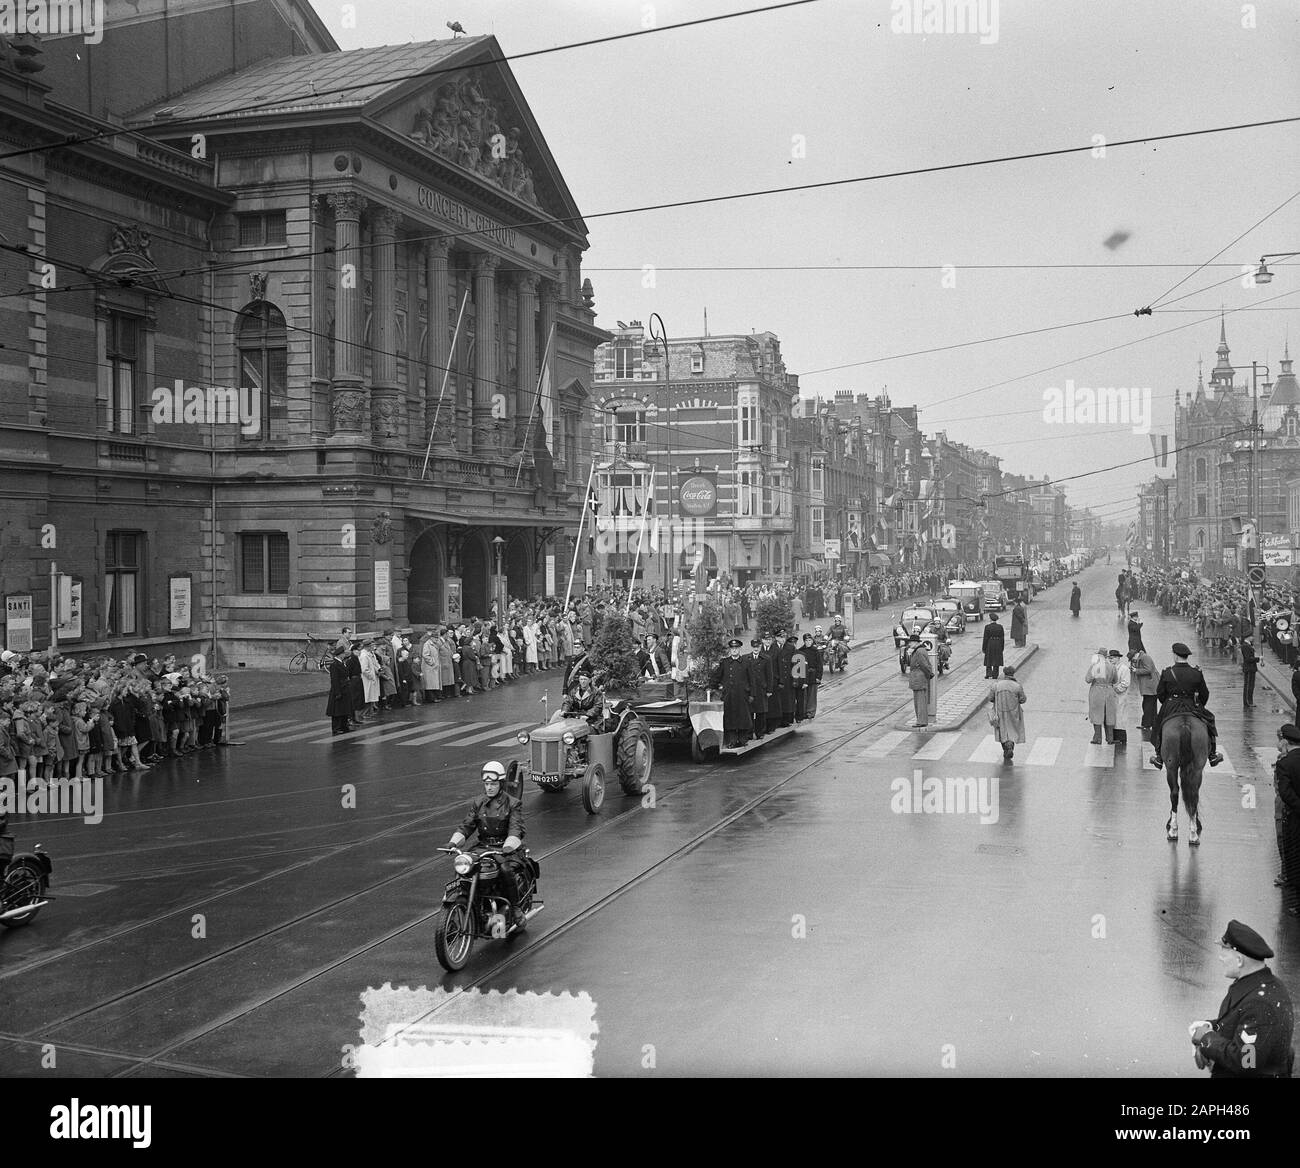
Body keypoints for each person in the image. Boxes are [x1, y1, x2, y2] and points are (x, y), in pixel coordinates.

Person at [1189, 920, 1294, 1078]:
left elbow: (1246, 1062)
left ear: (1239, 961)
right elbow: (1239, 1021)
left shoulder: (1261, 1003)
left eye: (1224, 952)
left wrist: (1207, 1039)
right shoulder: (1259, 986)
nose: (1220, 958)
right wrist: (1210, 1025)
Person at [447, 761, 530, 927]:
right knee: (463, 867)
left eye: (493, 784)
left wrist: (509, 845)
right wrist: (454, 842)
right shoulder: (478, 802)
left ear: (501, 783)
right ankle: (461, 905)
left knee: (506, 870)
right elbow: (467, 825)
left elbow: (516, 828)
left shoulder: (513, 803)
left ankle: (515, 909)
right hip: (482, 847)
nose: (489, 788)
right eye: (486, 784)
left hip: (505, 848)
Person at [1149, 642, 1222, 769]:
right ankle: (1212, 754)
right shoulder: (1196, 672)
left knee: (1159, 724)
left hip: (1172, 704)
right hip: (1192, 705)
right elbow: (1205, 694)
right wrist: (1199, 705)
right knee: (1210, 720)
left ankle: (1159, 757)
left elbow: (1160, 693)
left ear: (1175, 656)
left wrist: (1167, 702)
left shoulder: (1167, 672)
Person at [1275, 725, 1300, 915]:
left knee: (1294, 856)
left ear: (1285, 741)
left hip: (1294, 818)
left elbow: (1284, 792)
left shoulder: (1285, 763)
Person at [710, 638, 753, 749]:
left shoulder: (746, 662)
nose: (734, 650)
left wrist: (752, 694)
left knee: (743, 717)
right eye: (732, 648)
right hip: (729, 695)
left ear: (739, 649)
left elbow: (752, 679)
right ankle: (732, 740)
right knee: (730, 718)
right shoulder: (725, 662)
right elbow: (717, 676)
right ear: (730, 650)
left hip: (742, 695)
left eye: (736, 648)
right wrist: (712, 686)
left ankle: (743, 739)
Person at [987, 663, 1026, 762]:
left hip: (1000, 712)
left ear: (1004, 674)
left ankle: (1005, 748)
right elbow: (1023, 699)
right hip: (1014, 713)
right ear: (1013, 674)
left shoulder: (996, 686)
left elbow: (990, 698)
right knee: (1012, 731)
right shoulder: (1017, 686)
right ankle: (1010, 746)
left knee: (1002, 731)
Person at [1084, 647, 1117, 745]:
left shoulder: (1095, 666)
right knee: (1109, 714)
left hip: (1097, 691)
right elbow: (1115, 680)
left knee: (1096, 714)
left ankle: (1097, 738)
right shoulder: (1112, 666)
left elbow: (1088, 679)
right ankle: (1110, 738)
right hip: (1109, 691)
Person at [746, 638, 772, 739]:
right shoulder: (746, 658)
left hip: (761, 689)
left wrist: (769, 690)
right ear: (751, 647)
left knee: (761, 712)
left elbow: (769, 675)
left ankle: (760, 733)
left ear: (760, 647)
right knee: (750, 712)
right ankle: (749, 733)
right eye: (754, 647)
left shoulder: (766, 658)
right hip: (750, 690)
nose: (756, 649)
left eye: (757, 647)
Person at [906, 634, 933, 728]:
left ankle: (921, 721)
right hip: (917, 678)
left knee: (920, 701)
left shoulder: (919, 651)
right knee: (918, 700)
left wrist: (929, 674)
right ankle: (920, 720)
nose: (909, 644)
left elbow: (924, 665)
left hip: (919, 678)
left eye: (911, 642)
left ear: (916, 642)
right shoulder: (917, 651)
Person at [1130, 646, 1159, 733]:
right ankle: (1153, 723)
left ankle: (1146, 724)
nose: (1133, 661)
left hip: (1150, 686)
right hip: (1150, 686)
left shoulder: (1144, 658)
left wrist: (1136, 670)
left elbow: (1149, 669)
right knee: (1150, 705)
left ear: (1136, 655)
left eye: (1133, 659)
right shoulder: (1142, 658)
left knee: (1147, 705)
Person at [325, 647, 354, 734]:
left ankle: (344, 726)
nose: (344, 655)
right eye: (343, 654)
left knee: (345, 709)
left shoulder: (342, 663)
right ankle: (336, 728)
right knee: (337, 710)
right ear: (340, 655)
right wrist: (337, 692)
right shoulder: (334, 665)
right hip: (339, 689)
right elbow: (334, 679)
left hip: (345, 689)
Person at [798, 632, 823, 721]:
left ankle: (810, 712)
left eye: (810, 640)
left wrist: (818, 677)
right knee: (804, 695)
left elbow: (820, 665)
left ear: (812, 641)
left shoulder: (816, 651)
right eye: (806, 640)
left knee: (812, 695)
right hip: (804, 676)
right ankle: (803, 712)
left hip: (813, 675)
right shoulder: (800, 651)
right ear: (804, 641)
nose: (808, 642)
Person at [981, 611, 1004, 679]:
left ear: (990, 619)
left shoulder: (987, 627)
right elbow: (1002, 638)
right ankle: (995, 674)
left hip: (990, 643)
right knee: (996, 659)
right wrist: (1002, 647)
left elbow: (985, 638)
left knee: (989, 658)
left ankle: (988, 673)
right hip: (998, 643)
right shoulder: (1000, 627)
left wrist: (984, 648)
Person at [1241, 636, 1258, 708]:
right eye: (1252, 636)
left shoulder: (1249, 645)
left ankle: (1250, 701)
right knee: (1248, 686)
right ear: (1248, 637)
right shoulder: (1245, 646)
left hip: (1251, 668)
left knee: (1251, 686)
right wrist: (1258, 658)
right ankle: (1248, 702)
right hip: (1249, 668)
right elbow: (1248, 658)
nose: (1253, 638)